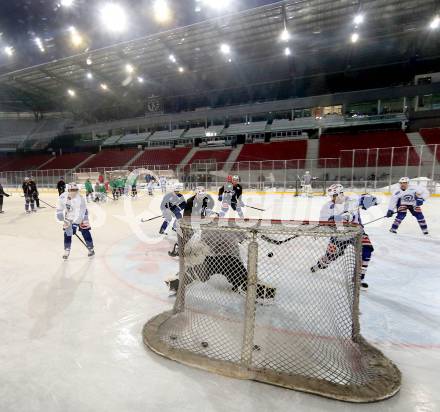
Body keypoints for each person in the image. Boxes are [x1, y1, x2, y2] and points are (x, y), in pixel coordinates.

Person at [310, 184, 379, 289]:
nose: (332, 198)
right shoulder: (327, 207)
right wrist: (336, 219)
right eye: (331, 196)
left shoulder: (353, 201)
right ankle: (320, 265)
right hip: (339, 236)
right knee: (330, 256)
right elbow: (323, 222)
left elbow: (377, 200)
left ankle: (358, 278)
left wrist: (372, 200)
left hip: (357, 233)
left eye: (334, 195)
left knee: (367, 250)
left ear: (341, 193)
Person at [167, 186, 215, 258]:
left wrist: (211, 213)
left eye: (203, 194)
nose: (202, 196)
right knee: (189, 235)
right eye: (200, 194)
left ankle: (197, 249)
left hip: (199, 220)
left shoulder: (205, 199)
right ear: (196, 194)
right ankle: (178, 248)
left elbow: (205, 209)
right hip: (189, 221)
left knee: (200, 234)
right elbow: (187, 213)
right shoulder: (190, 201)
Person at [56, 182, 95, 260]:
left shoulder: (80, 198)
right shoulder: (63, 196)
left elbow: (81, 212)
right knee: (67, 233)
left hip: (82, 216)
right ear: (68, 190)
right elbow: (60, 205)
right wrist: (59, 212)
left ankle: (90, 247)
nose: (74, 191)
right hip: (69, 216)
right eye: (72, 190)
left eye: (75, 190)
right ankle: (67, 249)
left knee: (85, 231)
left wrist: (75, 224)